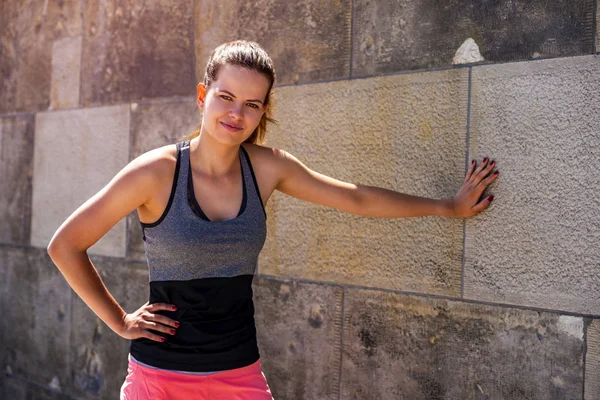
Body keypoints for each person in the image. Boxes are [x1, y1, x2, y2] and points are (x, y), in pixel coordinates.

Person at [47, 40, 498, 399]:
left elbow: (356, 198)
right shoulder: (156, 172)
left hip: (239, 372)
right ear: (202, 97)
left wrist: (447, 206)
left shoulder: (266, 168)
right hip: (160, 378)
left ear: (264, 110)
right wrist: (120, 321)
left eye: (252, 104)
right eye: (225, 97)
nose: (236, 114)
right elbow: (65, 244)